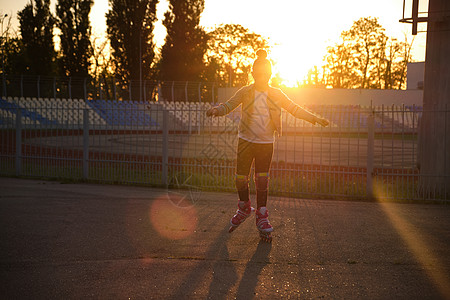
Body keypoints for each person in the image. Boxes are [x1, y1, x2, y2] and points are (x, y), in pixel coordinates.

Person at [206, 49, 329, 242]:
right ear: (253, 74)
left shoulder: (276, 94)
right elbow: (229, 105)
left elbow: (294, 109)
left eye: (265, 74)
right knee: (240, 178)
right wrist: (216, 110)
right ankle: (244, 207)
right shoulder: (245, 91)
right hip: (245, 140)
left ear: (269, 75)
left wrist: (314, 119)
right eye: (257, 73)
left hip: (265, 143)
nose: (261, 76)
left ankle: (262, 214)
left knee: (262, 179)